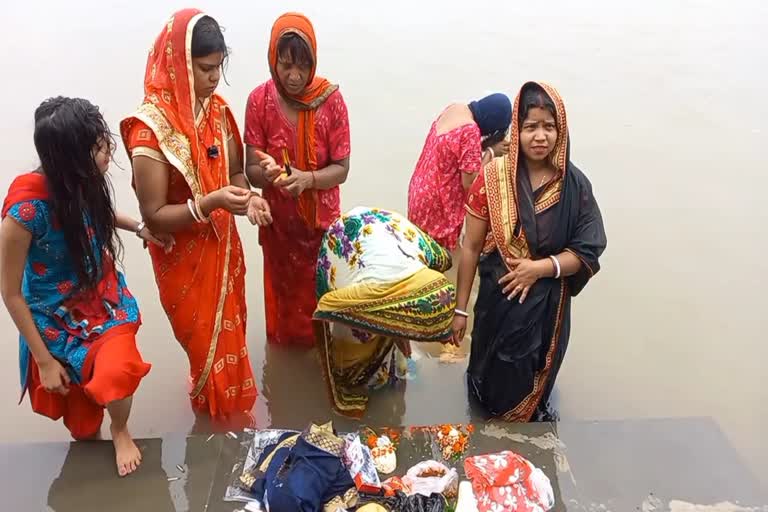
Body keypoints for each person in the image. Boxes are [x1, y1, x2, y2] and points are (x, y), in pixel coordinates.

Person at [0, 97, 166, 476]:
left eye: (103, 141)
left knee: (119, 369)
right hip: (53, 314)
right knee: (80, 417)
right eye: (96, 147)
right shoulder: (24, 212)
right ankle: (92, 440)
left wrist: (141, 228)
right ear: (67, 159)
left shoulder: (83, 182)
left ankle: (121, 428)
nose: (107, 151)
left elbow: (101, 215)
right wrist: (43, 361)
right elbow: (10, 293)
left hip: (101, 297)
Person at [121, 9, 271, 426]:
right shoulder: (149, 129)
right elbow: (152, 214)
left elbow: (236, 173)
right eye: (205, 69)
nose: (214, 79)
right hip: (182, 257)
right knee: (203, 344)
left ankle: (229, 420)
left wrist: (251, 198)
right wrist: (211, 203)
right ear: (178, 64)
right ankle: (216, 421)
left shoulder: (218, 111)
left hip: (224, 251)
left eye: (219, 67)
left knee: (231, 336)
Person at [453, 82, 607, 421]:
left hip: (547, 312)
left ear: (560, 130)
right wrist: (460, 311)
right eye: (530, 127)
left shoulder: (574, 186)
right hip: (497, 302)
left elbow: (588, 250)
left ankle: (527, 427)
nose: (540, 136)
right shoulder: (492, 177)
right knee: (486, 380)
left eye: (548, 127)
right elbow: (471, 247)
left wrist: (537, 269)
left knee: (533, 384)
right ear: (516, 131)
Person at [245, 12, 351, 347]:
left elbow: (342, 168)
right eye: (286, 65)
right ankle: (285, 361)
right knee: (285, 306)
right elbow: (250, 167)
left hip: (321, 227)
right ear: (272, 59)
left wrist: (307, 179)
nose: (294, 76)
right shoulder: (259, 101)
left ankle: (321, 356)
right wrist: (271, 175)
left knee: (325, 302)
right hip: (279, 227)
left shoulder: (330, 100)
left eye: (303, 66)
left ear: (314, 61)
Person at [312, 206, 456, 417]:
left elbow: (409, 314)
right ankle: (356, 380)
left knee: (394, 324)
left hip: (386, 233)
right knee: (355, 347)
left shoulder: (430, 254)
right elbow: (326, 306)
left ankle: (387, 373)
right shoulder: (362, 292)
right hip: (344, 245)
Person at [407, 93, 512, 251]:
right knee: (438, 257)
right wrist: (490, 152)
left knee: (418, 251)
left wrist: (481, 148)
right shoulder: (471, 131)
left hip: (419, 192)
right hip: (439, 204)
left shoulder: (455, 108)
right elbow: (470, 183)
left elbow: (454, 150)